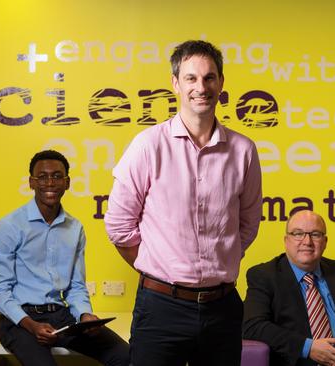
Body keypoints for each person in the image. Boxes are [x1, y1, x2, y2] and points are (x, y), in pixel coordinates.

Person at [104, 40, 262, 366]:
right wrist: (160, 265)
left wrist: (221, 260)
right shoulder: (148, 145)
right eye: (191, 78)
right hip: (161, 307)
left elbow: (247, 223)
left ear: (221, 82)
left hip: (223, 307)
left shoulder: (244, 150)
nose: (200, 87)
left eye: (209, 78)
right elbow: (119, 227)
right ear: (175, 83)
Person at [0, 150, 130, 366]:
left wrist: (84, 316)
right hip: (19, 320)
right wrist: (31, 325)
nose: (50, 183)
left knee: (126, 356)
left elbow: (76, 286)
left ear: (67, 182)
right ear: (31, 183)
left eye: (56, 176)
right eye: (42, 177)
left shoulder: (75, 228)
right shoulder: (8, 227)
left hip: (60, 316)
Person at [243, 210, 335, 366]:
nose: (307, 241)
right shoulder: (265, 276)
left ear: (325, 242)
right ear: (286, 240)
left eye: (315, 234)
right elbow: (253, 326)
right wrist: (308, 347)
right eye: (298, 234)